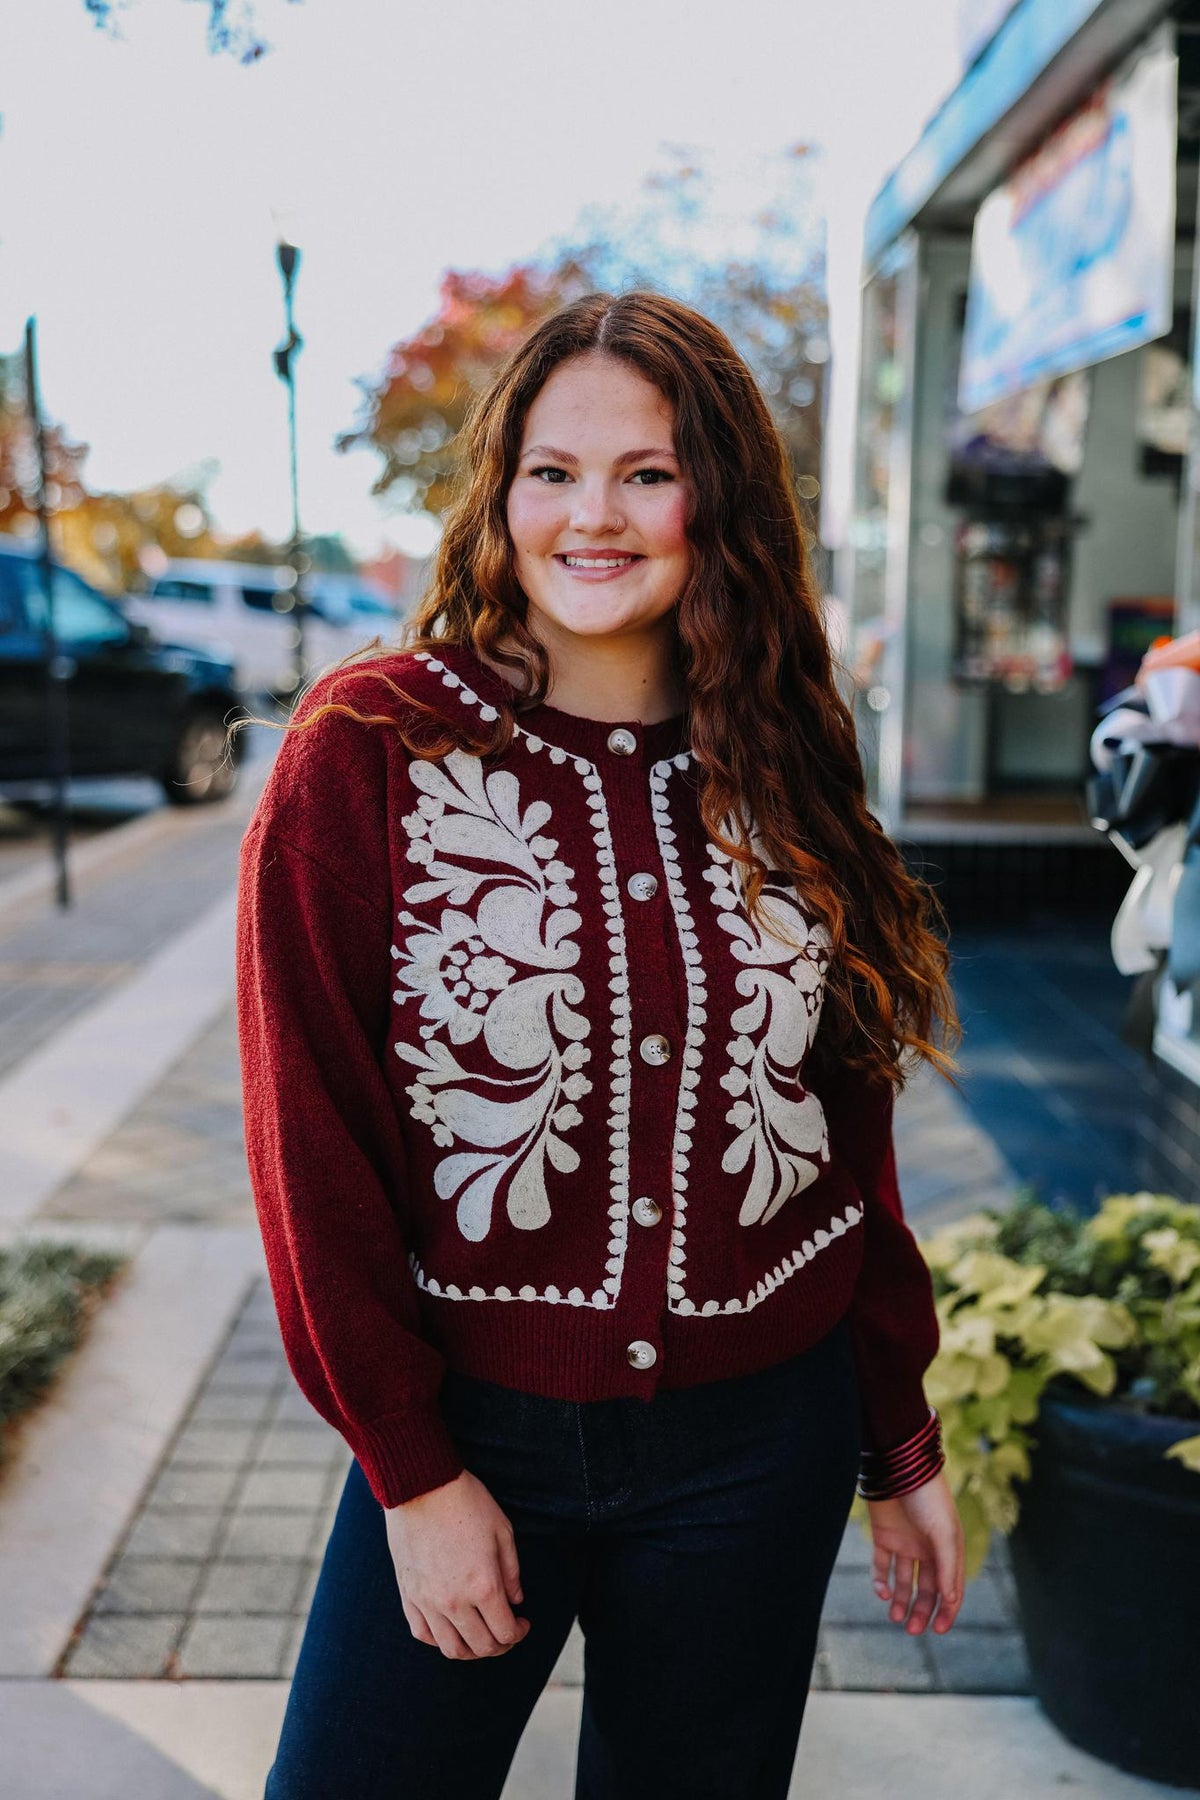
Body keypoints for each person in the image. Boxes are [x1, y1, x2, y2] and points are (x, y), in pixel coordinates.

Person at [234, 288, 966, 1800]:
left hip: (758, 1446)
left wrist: (897, 1442)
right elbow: (310, 1145)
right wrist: (413, 1473)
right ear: (502, 496)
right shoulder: (369, 746)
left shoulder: (787, 758)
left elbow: (846, 1140)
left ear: (720, 501)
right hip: (471, 1429)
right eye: (554, 472)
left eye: (647, 472)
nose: (596, 516)